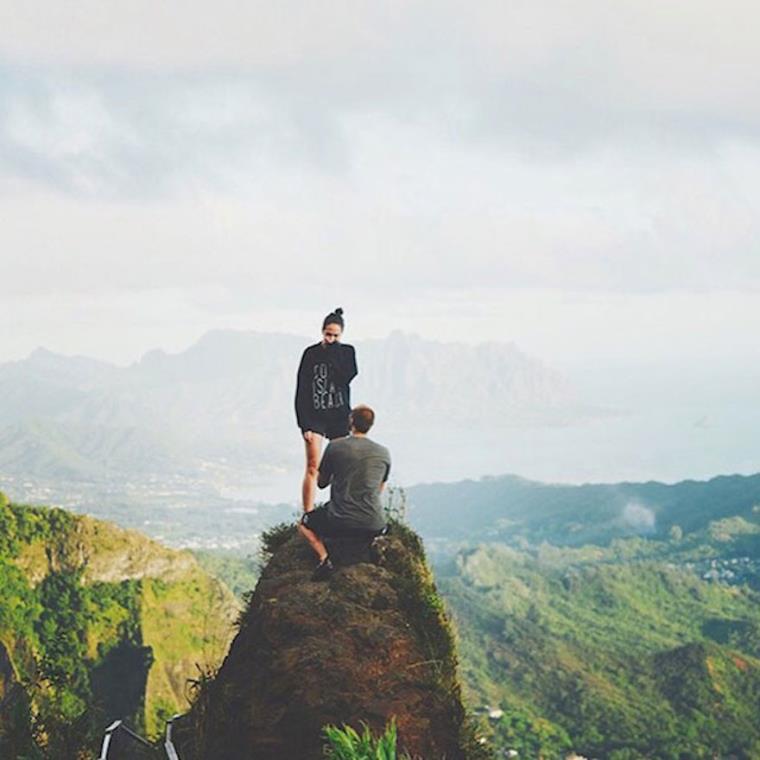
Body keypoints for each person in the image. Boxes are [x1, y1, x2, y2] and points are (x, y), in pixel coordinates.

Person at [298, 405, 391, 580]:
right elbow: (379, 488)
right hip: (374, 524)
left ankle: (325, 559)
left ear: (351, 421)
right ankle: (370, 546)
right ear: (371, 425)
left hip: (340, 522)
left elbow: (321, 483)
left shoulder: (335, 447)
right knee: (373, 526)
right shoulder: (384, 453)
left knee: (304, 524)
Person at [295, 307, 358, 512]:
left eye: (335, 335)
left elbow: (348, 376)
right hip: (314, 417)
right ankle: (308, 512)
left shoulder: (347, 352)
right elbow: (302, 388)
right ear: (322, 331)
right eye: (328, 334)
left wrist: (333, 355)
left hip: (339, 416)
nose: (331, 339)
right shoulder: (310, 354)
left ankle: (338, 509)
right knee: (313, 465)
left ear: (342, 334)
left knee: (340, 466)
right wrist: (303, 424)